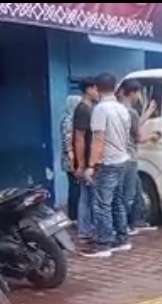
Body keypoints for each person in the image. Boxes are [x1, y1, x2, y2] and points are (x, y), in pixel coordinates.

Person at [85, 72, 132, 258]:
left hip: (107, 162)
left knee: (101, 204)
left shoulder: (101, 109)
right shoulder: (122, 109)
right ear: (115, 88)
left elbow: (98, 138)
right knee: (117, 201)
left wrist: (91, 164)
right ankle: (122, 239)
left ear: (96, 88)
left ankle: (104, 244)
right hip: (122, 159)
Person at [118, 79, 158, 234]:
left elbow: (133, 126)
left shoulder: (119, 110)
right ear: (133, 93)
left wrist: (147, 114)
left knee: (135, 190)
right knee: (127, 195)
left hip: (119, 157)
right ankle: (124, 227)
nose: (139, 96)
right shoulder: (131, 112)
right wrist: (153, 136)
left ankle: (137, 222)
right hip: (129, 157)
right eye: (138, 93)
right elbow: (138, 137)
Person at [72, 79, 99, 242]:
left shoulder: (91, 109)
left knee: (88, 195)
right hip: (87, 160)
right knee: (87, 195)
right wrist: (81, 163)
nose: (98, 93)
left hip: (90, 159)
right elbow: (79, 138)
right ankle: (85, 229)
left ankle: (86, 228)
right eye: (96, 89)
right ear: (89, 90)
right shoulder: (83, 110)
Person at [61, 94, 83, 221]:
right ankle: (74, 216)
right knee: (75, 189)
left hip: (72, 159)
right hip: (71, 160)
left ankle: (75, 215)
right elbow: (68, 143)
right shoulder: (69, 121)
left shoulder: (72, 119)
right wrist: (74, 162)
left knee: (76, 188)